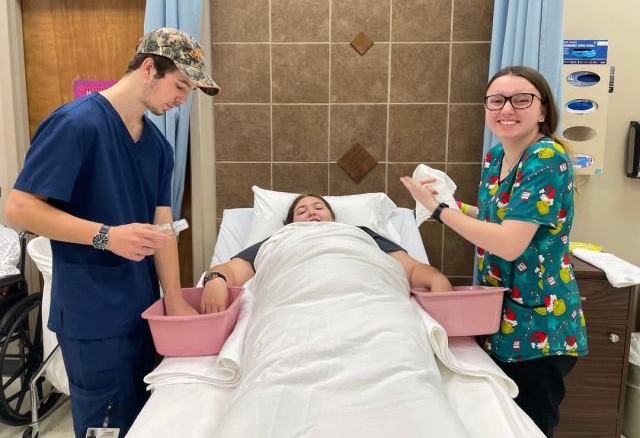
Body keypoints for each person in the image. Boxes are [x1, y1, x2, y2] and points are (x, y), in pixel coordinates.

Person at [4, 27, 220, 437]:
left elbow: (163, 227)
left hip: (142, 312)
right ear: (149, 67)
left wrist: (173, 300)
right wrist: (106, 235)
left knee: (140, 420)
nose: (181, 100)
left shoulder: (159, 148)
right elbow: (19, 207)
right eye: (180, 86)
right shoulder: (76, 125)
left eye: (188, 91)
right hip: (93, 316)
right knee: (105, 425)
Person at [401, 65, 587, 437]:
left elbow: (509, 241)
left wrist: (441, 212)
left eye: (521, 100)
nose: (507, 109)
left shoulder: (546, 157)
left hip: (541, 325)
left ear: (543, 110)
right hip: (500, 316)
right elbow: (493, 218)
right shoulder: (495, 159)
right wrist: (448, 204)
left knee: (530, 426)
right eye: (497, 100)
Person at [200, 193, 452, 313]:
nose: (311, 212)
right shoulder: (277, 239)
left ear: (333, 217)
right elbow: (230, 270)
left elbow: (412, 269)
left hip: (368, 303)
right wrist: (215, 280)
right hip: (292, 306)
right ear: (290, 225)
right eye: (302, 211)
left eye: (319, 207)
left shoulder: (360, 233)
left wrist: (437, 279)